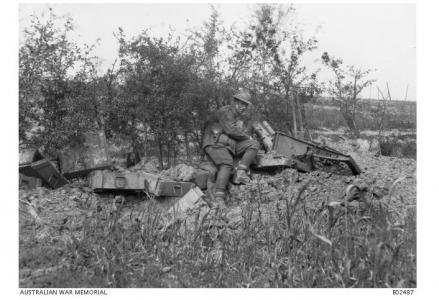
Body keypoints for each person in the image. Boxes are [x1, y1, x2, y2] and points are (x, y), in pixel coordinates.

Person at [202, 91, 261, 203]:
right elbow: (231, 130)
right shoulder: (227, 111)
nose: (243, 107)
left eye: (245, 105)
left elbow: (233, 132)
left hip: (227, 145)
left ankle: (240, 173)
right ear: (235, 102)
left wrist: (249, 139)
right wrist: (248, 137)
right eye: (241, 104)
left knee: (254, 144)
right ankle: (219, 198)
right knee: (226, 163)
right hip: (215, 143)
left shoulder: (234, 116)